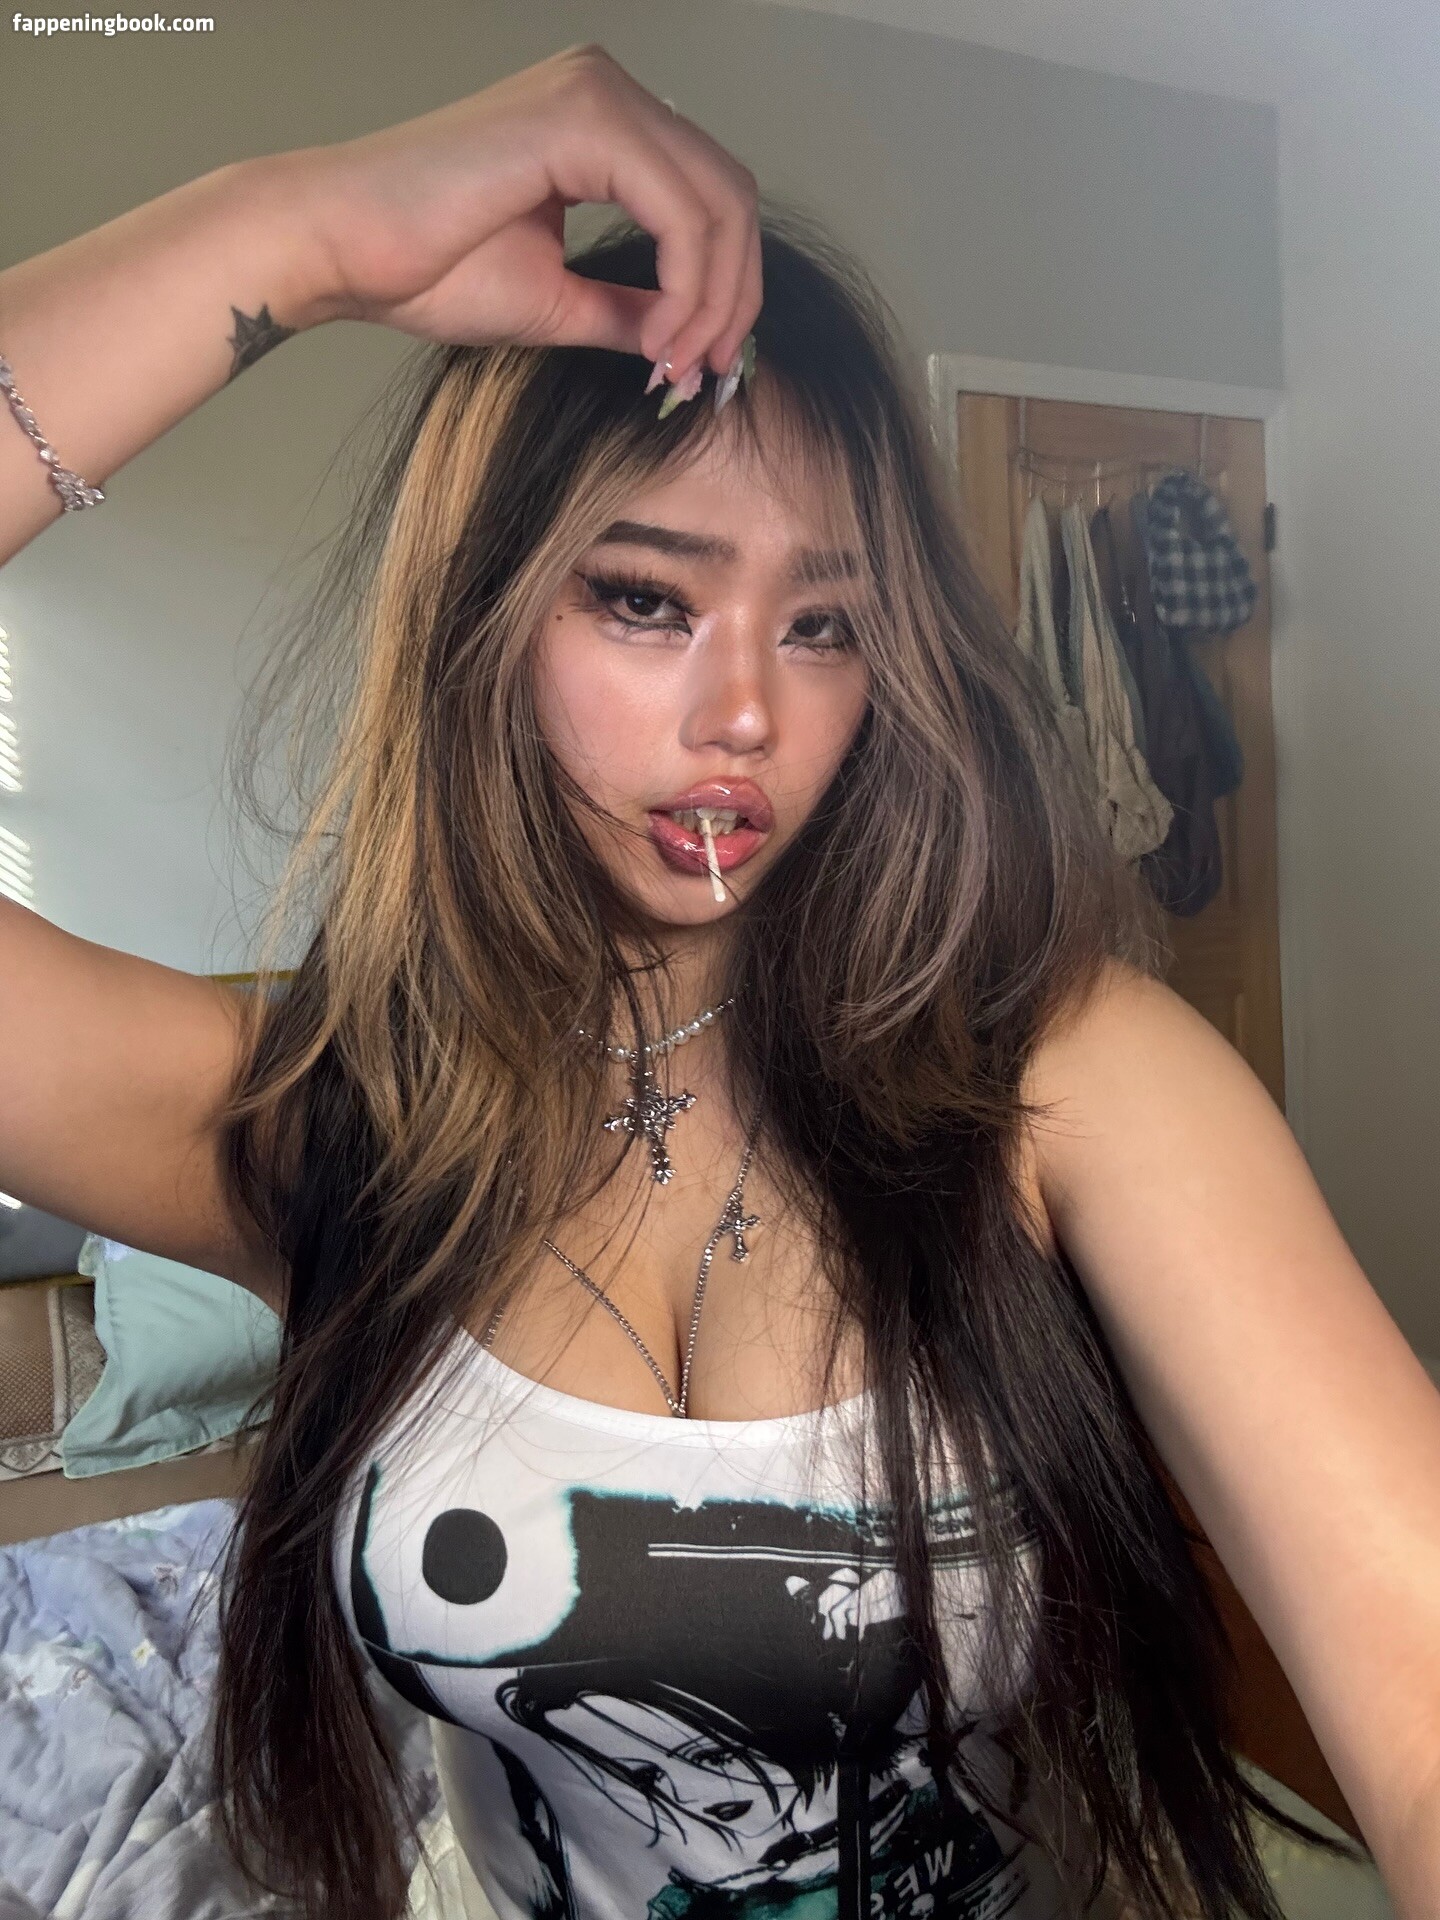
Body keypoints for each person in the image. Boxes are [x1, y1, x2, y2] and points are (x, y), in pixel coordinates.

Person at [0, 42, 1436, 1920]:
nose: (749, 712)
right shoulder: (329, 1119)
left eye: (825, 623)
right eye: (647, 598)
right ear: (483, 619)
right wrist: (307, 233)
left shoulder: (1067, 1080)